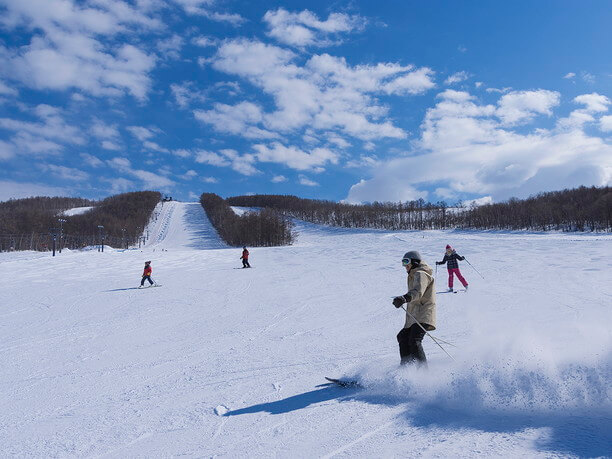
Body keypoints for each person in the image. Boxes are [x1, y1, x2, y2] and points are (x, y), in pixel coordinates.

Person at [392, 251, 436, 366]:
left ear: (415, 262)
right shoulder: (414, 274)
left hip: (423, 314)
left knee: (414, 340)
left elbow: (418, 291)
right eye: (403, 262)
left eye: (407, 262)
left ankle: (423, 373)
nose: (404, 265)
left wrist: (405, 298)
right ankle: (407, 369)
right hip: (415, 315)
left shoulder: (421, 274)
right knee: (403, 337)